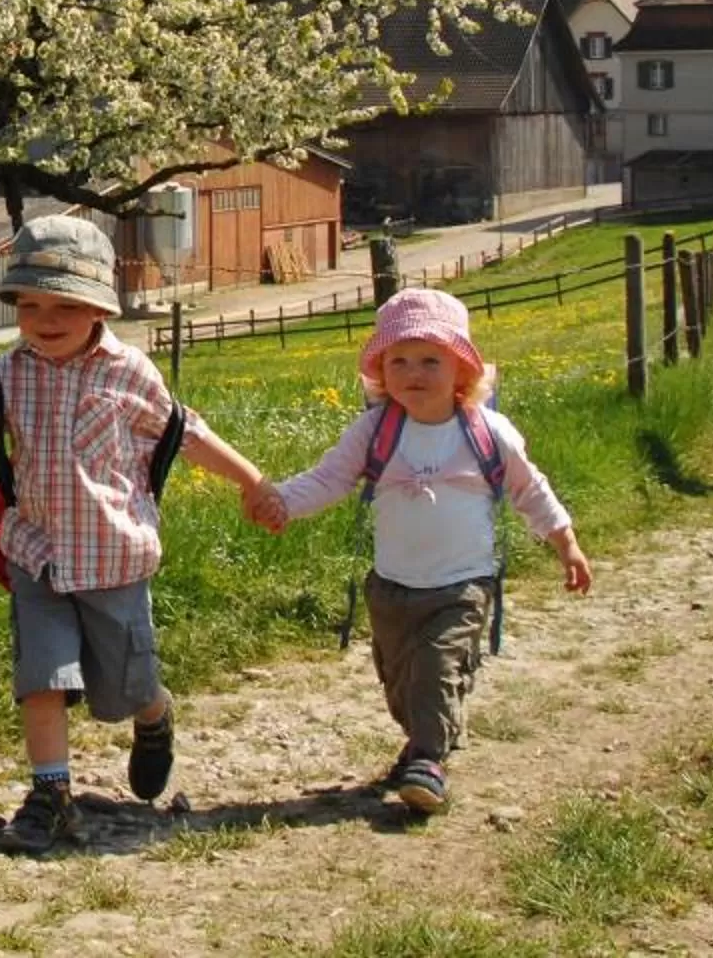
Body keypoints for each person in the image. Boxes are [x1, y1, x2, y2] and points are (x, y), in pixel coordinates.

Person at [0, 214, 274, 852]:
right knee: (41, 677)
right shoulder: (5, 375)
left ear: (99, 308)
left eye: (65, 306)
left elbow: (185, 435)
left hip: (113, 560)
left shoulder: (129, 372)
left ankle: (154, 714)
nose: (45, 319)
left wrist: (251, 480)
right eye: (31, 305)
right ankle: (50, 795)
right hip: (37, 557)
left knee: (122, 689)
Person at [242, 288, 593, 816]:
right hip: (391, 585)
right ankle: (427, 736)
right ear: (382, 372)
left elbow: (530, 490)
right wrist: (282, 503)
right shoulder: (376, 430)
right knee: (401, 682)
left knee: (434, 669)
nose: (414, 373)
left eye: (431, 360)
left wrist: (565, 542)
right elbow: (330, 478)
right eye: (399, 361)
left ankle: (429, 760)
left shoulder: (486, 432)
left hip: (461, 585)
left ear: (462, 370)